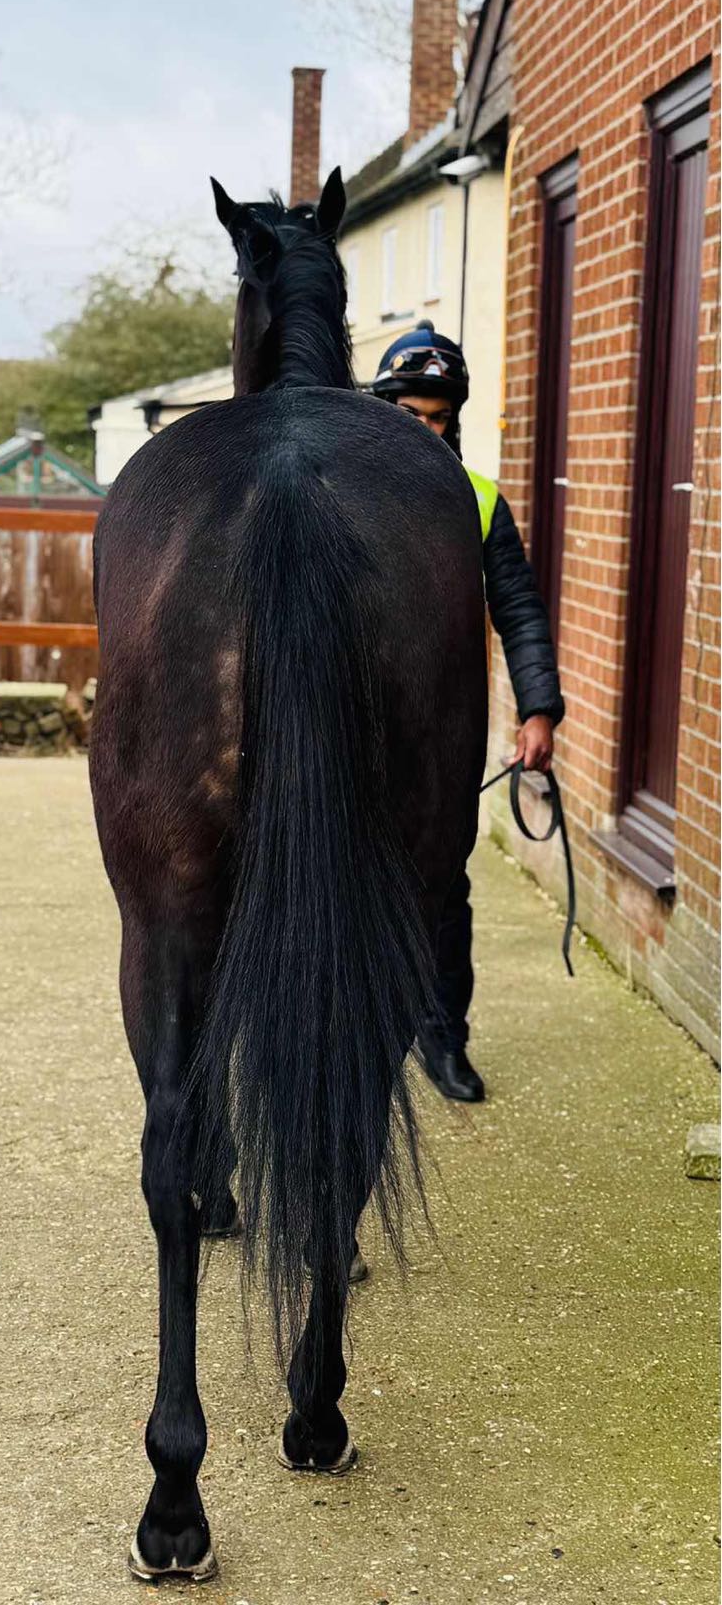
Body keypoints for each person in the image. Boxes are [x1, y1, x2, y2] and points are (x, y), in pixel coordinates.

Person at [371, 320, 564, 1103]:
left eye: (438, 418)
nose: (425, 430)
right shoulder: (334, 489)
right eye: (410, 415)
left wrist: (538, 710)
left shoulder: (478, 500)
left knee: (442, 889)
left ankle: (443, 1036)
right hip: (348, 725)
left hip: (435, 735)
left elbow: (518, 608)